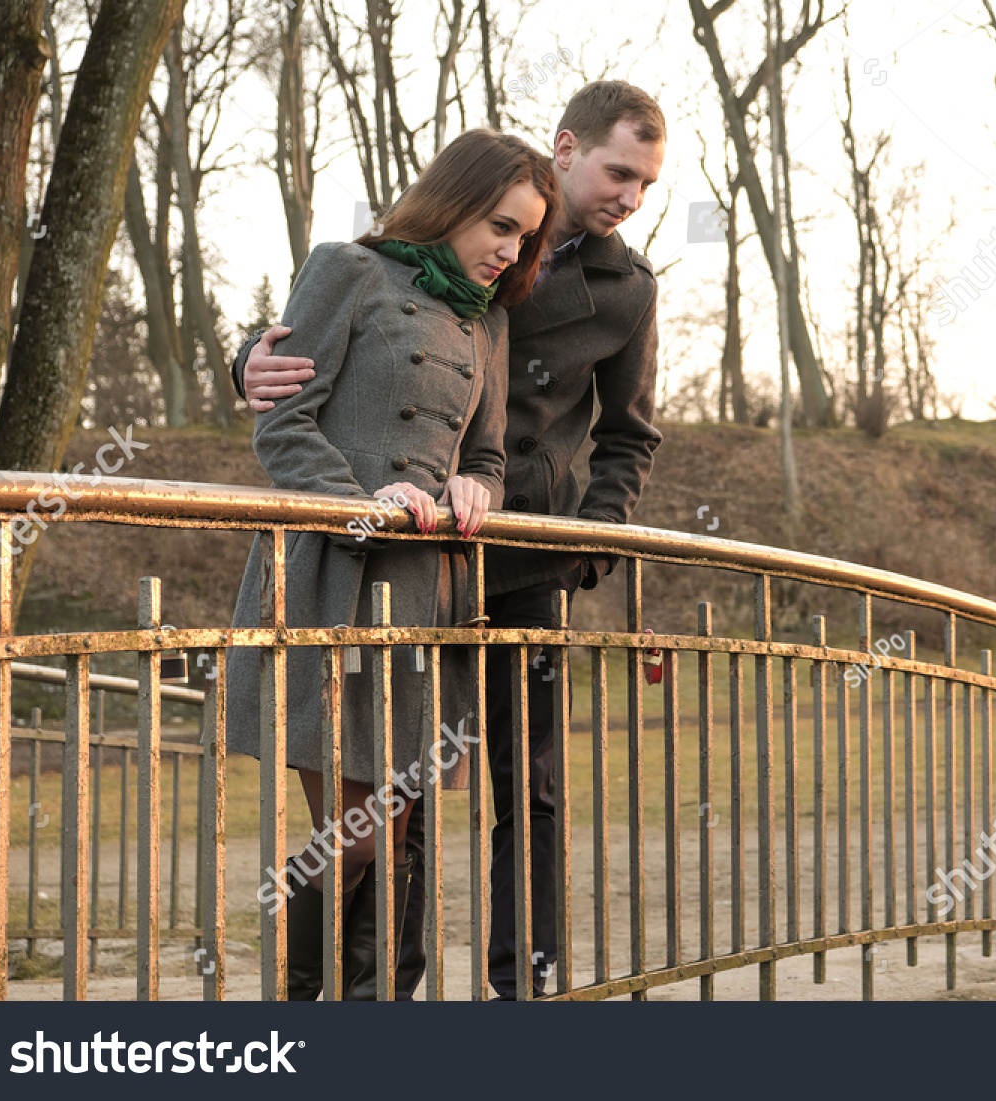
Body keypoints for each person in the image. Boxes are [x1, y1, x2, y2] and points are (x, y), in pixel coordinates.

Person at [232, 81, 666, 1000]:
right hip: (377, 557)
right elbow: (313, 357)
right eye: (619, 169)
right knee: (392, 812)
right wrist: (248, 363)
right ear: (564, 147)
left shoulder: (610, 292)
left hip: (507, 555)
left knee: (525, 788)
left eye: (647, 183)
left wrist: (590, 538)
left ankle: (522, 994)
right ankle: (370, 994)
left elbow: (623, 435)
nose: (630, 195)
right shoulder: (406, 253)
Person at [221, 128, 559, 1000]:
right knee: (358, 835)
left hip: (423, 596)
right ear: (450, 202)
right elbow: (282, 423)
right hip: (329, 579)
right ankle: (298, 1008)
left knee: (396, 828)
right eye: (498, 225)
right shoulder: (346, 268)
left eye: (524, 235)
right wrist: (360, 510)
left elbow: (484, 456)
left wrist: (478, 488)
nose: (509, 250)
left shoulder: (489, 323)